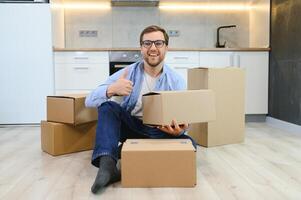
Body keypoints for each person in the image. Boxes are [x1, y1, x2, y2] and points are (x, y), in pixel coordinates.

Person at [85, 25, 196, 194]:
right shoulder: (127, 73)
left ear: (167, 47)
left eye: (158, 43)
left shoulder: (176, 81)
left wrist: (179, 132)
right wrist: (112, 89)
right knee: (108, 107)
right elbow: (89, 100)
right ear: (141, 47)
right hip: (131, 128)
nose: (153, 48)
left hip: (160, 132)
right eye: (147, 43)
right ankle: (108, 166)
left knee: (190, 143)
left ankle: (130, 152)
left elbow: (185, 121)